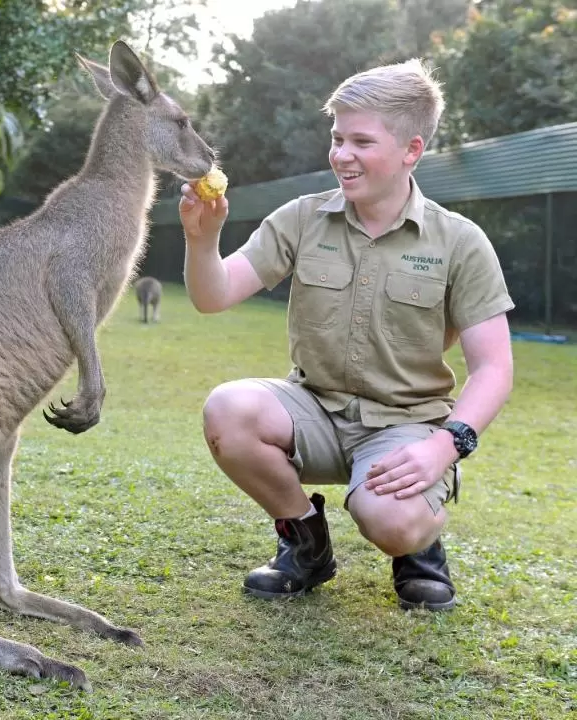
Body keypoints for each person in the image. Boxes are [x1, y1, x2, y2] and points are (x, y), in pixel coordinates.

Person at [179, 59, 514, 611]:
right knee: (229, 410)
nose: (341, 155)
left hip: (404, 425)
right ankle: (306, 545)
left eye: (361, 141)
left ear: (410, 150)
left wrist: (442, 448)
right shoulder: (303, 218)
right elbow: (213, 295)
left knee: (391, 521)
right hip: (313, 408)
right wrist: (201, 239)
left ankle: (420, 546)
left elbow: (494, 368)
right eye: (337, 138)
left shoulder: (460, 241)